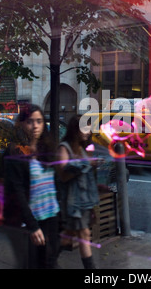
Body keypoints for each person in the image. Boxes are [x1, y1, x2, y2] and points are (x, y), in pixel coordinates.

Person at [3, 104, 61, 269]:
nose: (35, 126)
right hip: (30, 221)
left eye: (39, 121)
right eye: (30, 121)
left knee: (49, 261)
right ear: (22, 124)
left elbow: (55, 183)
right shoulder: (15, 151)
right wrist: (32, 226)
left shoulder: (48, 148)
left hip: (52, 217)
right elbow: (17, 191)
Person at [57, 114, 100, 269]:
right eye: (84, 128)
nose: (87, 132)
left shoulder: (82, 149)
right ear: (75, 129)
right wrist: (85, 164)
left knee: (69, 236)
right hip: (72, 201)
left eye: (89, 128)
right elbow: (63, 175)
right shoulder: (64, 148)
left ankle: (47, 258)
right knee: (83, 235)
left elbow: (87, 179)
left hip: (83, 200)